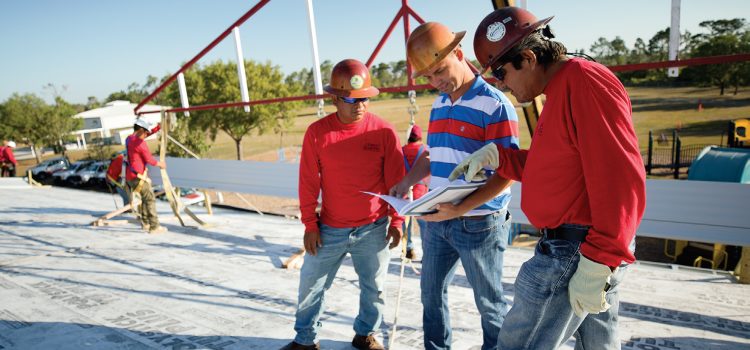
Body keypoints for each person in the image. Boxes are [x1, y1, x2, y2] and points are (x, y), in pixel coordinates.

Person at [452, 7, 647, 349]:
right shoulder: (560, 89)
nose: (499, 84)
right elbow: (558, 165)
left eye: (500, 72)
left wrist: (599, 258)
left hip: (574, 251)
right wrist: (500, 158)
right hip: (582, 248)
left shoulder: (584, 82)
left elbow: (620, 177)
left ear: (527, 58)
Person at [391, 21, 520, 350]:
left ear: (459, 54)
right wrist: (406, 182)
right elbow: (432, 155)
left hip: (480, 224)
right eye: (429, 77)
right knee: (430, 297)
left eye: (440, 70)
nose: (436, 82)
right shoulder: (439, 104)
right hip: (437, 220)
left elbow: (507, 172)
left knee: (490, 305)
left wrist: (460, 208)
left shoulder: (495, 105)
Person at [281, 59, 405, 350]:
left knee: (374, 288)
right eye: (351, 99)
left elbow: (397, 183)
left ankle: (365, 334)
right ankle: (305, 340)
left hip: (373, 229)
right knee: (311, 284)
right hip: (330, 229)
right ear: (334, 98)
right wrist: (310, 225)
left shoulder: (384, 133)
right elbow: (308, 182)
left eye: (364, 99)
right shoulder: (317, 133)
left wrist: (397, 221)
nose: (359, 105)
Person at [126, 118, 167, 234]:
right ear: (140, 130)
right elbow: (149, 159)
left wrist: (157, 128)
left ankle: (145, 223)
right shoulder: (141, 143)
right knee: (149, 199)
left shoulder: (129, 139)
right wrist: (161, 164)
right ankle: (154, 226)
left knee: (144, 198)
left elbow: (144, 136)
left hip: (130, 177)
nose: (147, 135)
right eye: (146, 132)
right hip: (139, 177)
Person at [401, 124, 428, 261]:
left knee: (406, 223)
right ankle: (427, 252)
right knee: (424, 224)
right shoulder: (425, 150)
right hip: (421, 192)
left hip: (405, 191)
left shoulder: (402, 150)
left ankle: (408, 249)